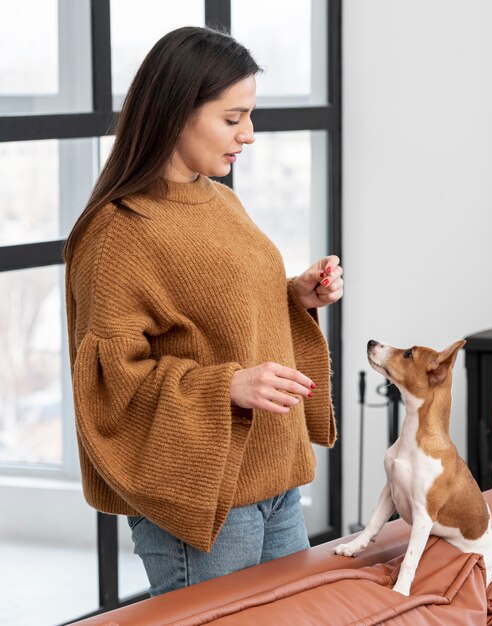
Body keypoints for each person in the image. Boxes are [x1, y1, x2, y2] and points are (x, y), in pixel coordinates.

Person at [62, 25, 342, 597]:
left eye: (250, 116)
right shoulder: (118, 232)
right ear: (175, 112)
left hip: (276, 480)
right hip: (204, 500)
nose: (250, 135)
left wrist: (295, 296)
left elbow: (215, 316)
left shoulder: (221, 199)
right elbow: (108, 382)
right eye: (232, 118)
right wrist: (226, 389)